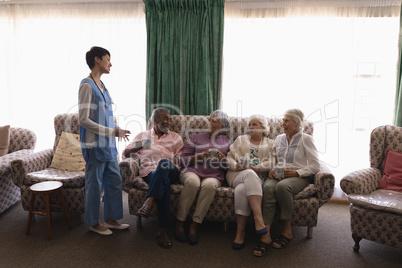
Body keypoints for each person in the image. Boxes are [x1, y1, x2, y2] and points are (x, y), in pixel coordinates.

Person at [78, 46, 131, 236]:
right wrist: (112, 131)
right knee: (95, 184)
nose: (111, 63)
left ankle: (111, 218)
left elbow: (104, 112)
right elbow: (83, 119)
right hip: (94, 144)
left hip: (109, 144)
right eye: (108, 59)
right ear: (96, 60)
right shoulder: (87, 85)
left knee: (115, 181)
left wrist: (116, 127)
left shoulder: (102, 86)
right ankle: (93, 222)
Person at [259, 109, 320, 254]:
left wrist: (296, 172)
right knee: (267, 188)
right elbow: (273, 158)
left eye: (287, 120)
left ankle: (287, 230)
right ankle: (266, 233)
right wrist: (272, 169)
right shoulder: (279, 138)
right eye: (283, 120)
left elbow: (315, 165)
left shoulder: (307, 139)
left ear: (297, 124)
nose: (283, 123)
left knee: (282, 187)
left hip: (299, 176)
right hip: (278, 174)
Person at [123, 107, 184, 249]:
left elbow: (181, 158)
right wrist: (137, 147)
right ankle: (163, 231)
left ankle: (149, 202)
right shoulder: (143, 136)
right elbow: (125, 153)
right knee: (163, 181)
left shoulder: (175, 137)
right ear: (156, 120)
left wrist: (174, 163)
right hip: (150, 172)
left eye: (170, 119)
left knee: (164, 165)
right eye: (166, 118)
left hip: (171, 170)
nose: (169, 122)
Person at [175, 110, 231, 245]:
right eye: (210, 120)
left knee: (210, 186)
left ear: (222, 127)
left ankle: (195, 225)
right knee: (192, 183)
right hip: (192, 170)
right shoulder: (195, 137)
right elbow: (182, 160)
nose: (209, 123)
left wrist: (223, 158)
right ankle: (180, 223)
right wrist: (198, 156)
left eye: (214, 121)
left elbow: (228, 166)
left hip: (214, 174)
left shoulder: (227, 141)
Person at [226, 115, 275, 256]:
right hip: (237, 174)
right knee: (248, 173)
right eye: (250, 125)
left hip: (259, 178)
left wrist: (259, 167)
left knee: (242, 190)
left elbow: (273, 161)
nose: (251, 127)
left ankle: (240, 233)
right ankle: (259, 219)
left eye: (255, 124)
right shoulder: (241, 139)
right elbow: (228, 156)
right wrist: (236, 165)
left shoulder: (271, 143)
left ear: (263, 127)